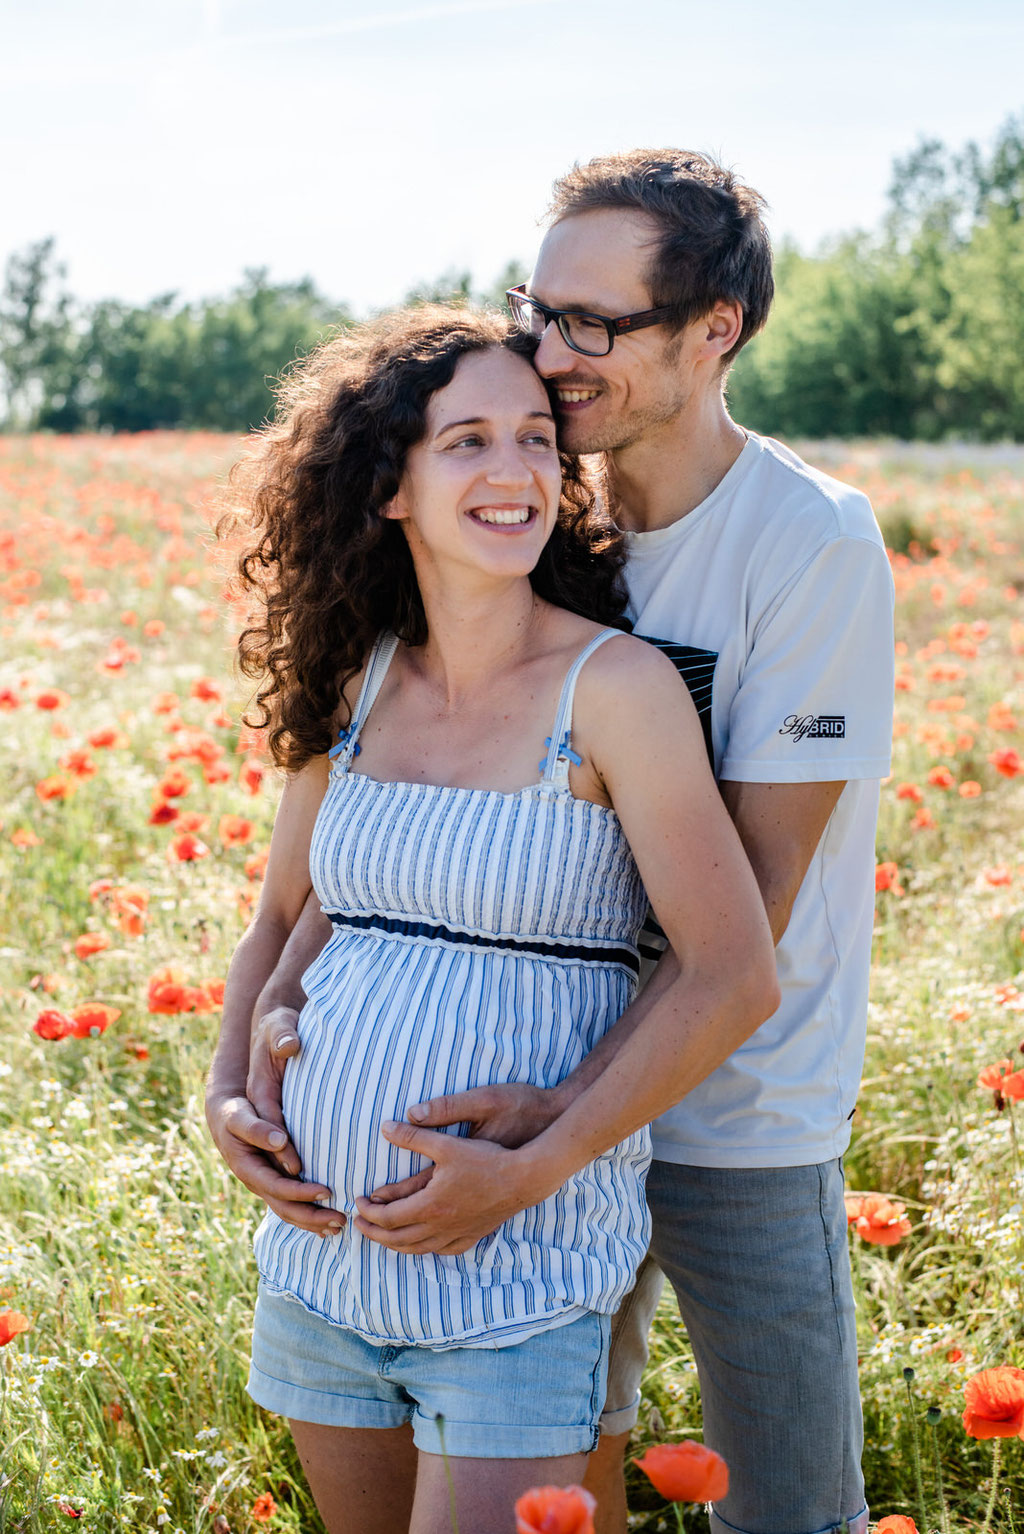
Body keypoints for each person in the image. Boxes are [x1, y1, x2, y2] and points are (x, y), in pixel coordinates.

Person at [207, 151, 896, 1534]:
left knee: (782, 1497)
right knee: (577, 1475)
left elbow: (744, 914)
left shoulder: (804, 541)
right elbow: (409, 830)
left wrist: (555, 1125)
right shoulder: (552, 512)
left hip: (729, 1106)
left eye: (594, 323)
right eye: (541, 309)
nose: (548, 353)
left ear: (716, 331)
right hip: (517, 1126)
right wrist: (283, 1005)